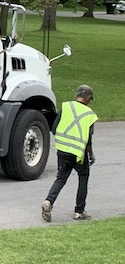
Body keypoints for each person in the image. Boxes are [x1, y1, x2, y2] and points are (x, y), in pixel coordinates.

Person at [41, 84, 98, 222]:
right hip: (78, 153)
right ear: (88, 97)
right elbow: (88, 139)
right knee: (83, 177)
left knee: (61, 178)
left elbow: (54, 129)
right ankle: (79, 211)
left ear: (77, 94)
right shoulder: (89, 114)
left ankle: (49, 201)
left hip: (62, 150)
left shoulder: (66, 107)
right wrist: (91, 154)